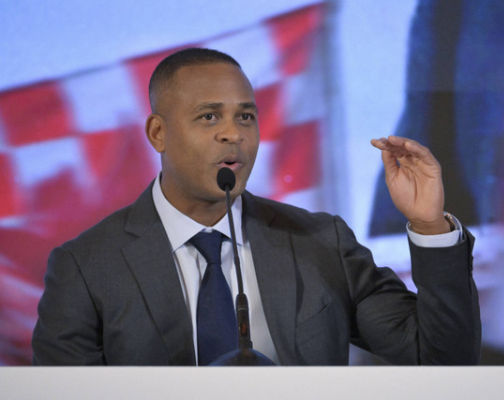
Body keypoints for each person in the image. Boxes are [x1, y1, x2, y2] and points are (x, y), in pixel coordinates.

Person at [32, 48, 480, 365]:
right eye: (209, 117)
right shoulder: (86, 267)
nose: (234, 134)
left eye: (245, 116)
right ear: (158, 134)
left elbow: (441, 357)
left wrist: (429, 225)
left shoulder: (322, 242)